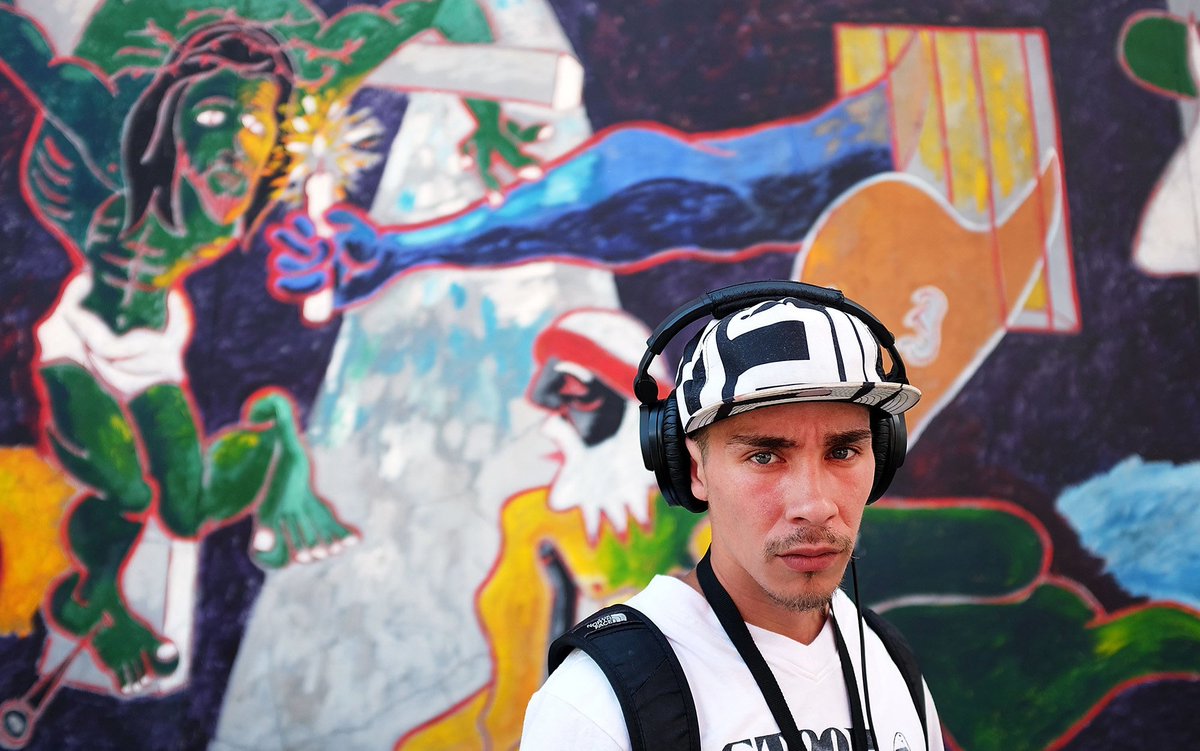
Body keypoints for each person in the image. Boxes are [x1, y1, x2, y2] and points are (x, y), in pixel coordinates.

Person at [521, 281, 943, 751]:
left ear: (882, 456)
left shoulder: (888, 660)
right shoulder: (594, 704)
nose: (815, 506)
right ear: (694, 471)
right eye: (764, 456)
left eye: (843, 452)